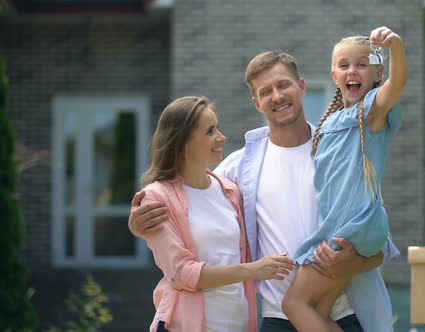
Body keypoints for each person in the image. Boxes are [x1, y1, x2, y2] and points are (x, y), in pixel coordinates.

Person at [129, 47, 400, 331]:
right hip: (277, 320)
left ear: (302, 87)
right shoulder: (237, 170)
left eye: (283, 85)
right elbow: (185, 202)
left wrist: (354, 263)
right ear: (257, 103)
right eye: (266, 91)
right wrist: (140, 226)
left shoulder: (341, 152)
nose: (277, 96)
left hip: (344, 313)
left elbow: (377, 237)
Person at [282, 26, 408, 332]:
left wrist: (396, 47)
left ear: (377, 74)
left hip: (350, 227)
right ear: (334, 76)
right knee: (319, 310)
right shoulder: (332, 121)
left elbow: (398, 82)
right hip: (344, 226)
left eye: (362, 64)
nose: (352, 70)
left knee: (294, 304)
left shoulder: (371, 111)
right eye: (344, 65)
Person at [138, 96, 294, 332]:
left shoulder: (229, 190)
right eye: (210, 131)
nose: (221, 137)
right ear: (183, 141)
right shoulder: (157, 197)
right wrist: (253, 269)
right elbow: (182, 273)